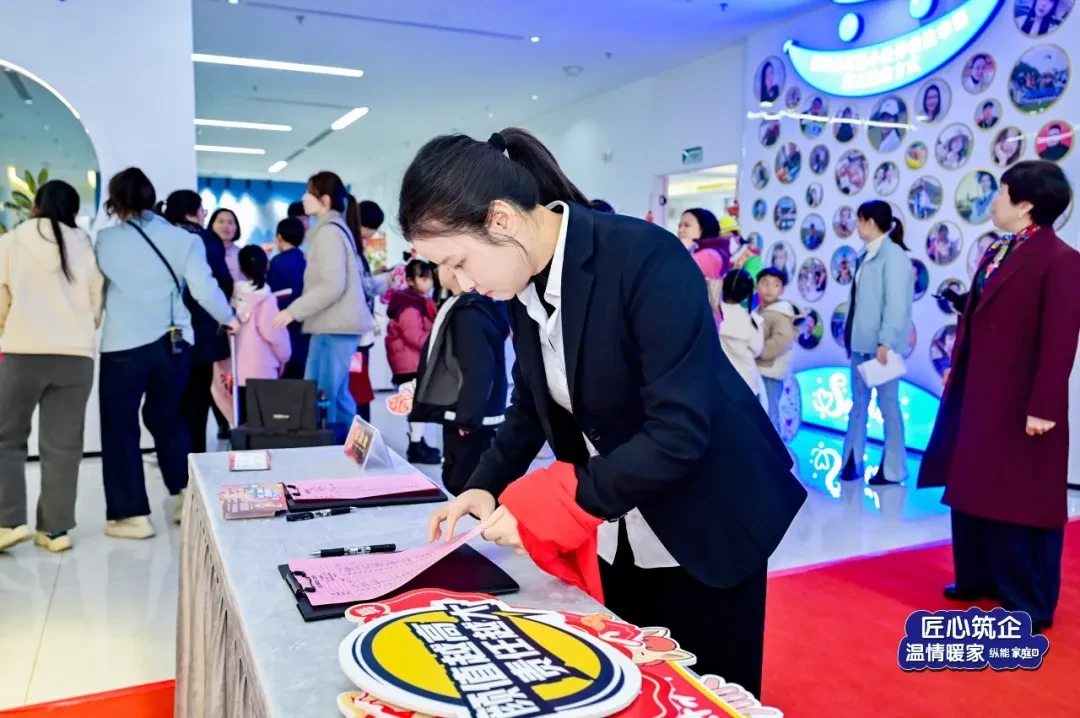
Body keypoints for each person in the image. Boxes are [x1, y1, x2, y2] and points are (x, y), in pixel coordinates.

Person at [416, 128, 806, 697]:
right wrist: (484, 485)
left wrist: (557, 504)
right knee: (629, 681)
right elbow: (533, 403)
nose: (461, 285)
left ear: (500, 220)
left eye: (457, 263)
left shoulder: (645, 258)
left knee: (706, 691)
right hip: (619, 520)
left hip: (710, 512)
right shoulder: (522, 284)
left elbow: (678, 431)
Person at [919, 161, 1080, 632]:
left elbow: (1060, 340)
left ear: (1025, 205)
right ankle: (977, 577)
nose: (993, 200)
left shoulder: (1060, 260)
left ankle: (1027, 598)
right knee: (974, 488)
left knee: (1021, 501)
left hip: (1021, 403)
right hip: (979, 396)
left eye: (1002, 192)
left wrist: (1044, 406)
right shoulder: (998, 249)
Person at [95, 168, 236, 539]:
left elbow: (96, 291)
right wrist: (230, 318)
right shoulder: (182, 239)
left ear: (114, 201)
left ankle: (131, 516)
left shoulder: (106, 241)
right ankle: (185, 497)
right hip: (173, 344)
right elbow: (204, 290)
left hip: (122, 346)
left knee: (120, 425)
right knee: (169, 418)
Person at [0, 181, 104, 553]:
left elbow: (1, 297)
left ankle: (8, 522)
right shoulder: (86, 246)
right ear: (74, 211)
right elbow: (96, 302)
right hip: (76, 358)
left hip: (21, 352)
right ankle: (55, 531)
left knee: (6, 439)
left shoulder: (11, 241)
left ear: (35, 206)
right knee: (63, 446)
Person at [273, 171, 374, 426]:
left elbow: (332, 285)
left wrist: (293, 311)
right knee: (333, 394)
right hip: (332, 326)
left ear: (326, 200)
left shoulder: (329, 233)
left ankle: (338, 444)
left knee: (325, 395)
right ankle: (347, 444)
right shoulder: (334, 231)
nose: (304, 198)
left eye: (310, 192)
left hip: (333, 327)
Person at [409, 264, 510, 495]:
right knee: (462, 475)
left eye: (443, 264)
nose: (438, 271)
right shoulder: (468, 307)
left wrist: (467, 417)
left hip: (468, 418)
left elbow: (478, 368)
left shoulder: (468, 313)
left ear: (456, 270)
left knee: (464, 480)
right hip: (467, 413)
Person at [840, 200, 913, 487]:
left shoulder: (893, 256)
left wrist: (886, 341)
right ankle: (852, 461)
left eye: (859, 220)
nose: (856, 226)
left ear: (870, 222)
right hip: (861, 343)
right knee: (858, 404)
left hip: (882, 348)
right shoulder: (865, 254)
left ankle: (894, 469)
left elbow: (896, 304)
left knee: (888, 407)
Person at [160, 191, 236, 452]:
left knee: (173, 401)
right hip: (200, 334)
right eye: (203, 210)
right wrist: (228, 315)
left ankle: (174, 458)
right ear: (193, 212)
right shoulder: (205, 240)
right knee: (197, 402)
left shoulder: (160, 237)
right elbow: (218, 284)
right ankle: (194, 459)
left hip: (164, 331)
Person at [212, 245, 291, 426]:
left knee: (242, 421)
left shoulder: (232, 297)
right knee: (262, 424)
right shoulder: (267, 300)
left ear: (240, 268)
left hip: (236, 370)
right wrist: (284, 357)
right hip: (263, 370)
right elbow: (274, 334)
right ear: (267, 266)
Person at [387, 260, 441, 464]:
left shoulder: (416, 301)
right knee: (416, 406)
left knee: (417, 406)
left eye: (429, 279)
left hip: (411, 362)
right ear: (410, 280)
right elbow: (415, 337)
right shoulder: (409, 305)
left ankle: (418, 443)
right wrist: (438, 342)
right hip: (410, 365)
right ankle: (416, 447)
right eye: (422, 278)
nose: (428, 283)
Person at [755, 268, 799, 433]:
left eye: (775, 285)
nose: (769, 289)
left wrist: (756, 351)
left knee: (769, 413)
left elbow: (781, 341)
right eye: (765, 283)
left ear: (782, 289)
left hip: (770, 372)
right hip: (760, 370)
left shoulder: (781, 313)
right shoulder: (760, 311)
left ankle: (773, 448)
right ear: (757, 286)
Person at [266, 217, 309, 379]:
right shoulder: (307, 261)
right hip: (306, 328)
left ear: (279, 237)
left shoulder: (275, 263)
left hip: (282, 328)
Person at [719, 269, 767, 412]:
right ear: (747, 294)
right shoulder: (753, 321)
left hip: (716, 383)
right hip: (746, 383)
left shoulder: (712, 313)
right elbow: (757, 350)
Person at [677, 208, 728, 279]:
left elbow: (677, 277)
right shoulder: (712, 251)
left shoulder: (708, 255)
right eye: (679, 226)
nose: (680, 230)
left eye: (687, 225)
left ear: (703, 228)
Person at [208, 208, 243, 283]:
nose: (226, 226)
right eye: (221, 221)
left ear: (236, 228)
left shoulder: (243, 254)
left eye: (230, 222)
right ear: (212, 225)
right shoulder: (203, 252)